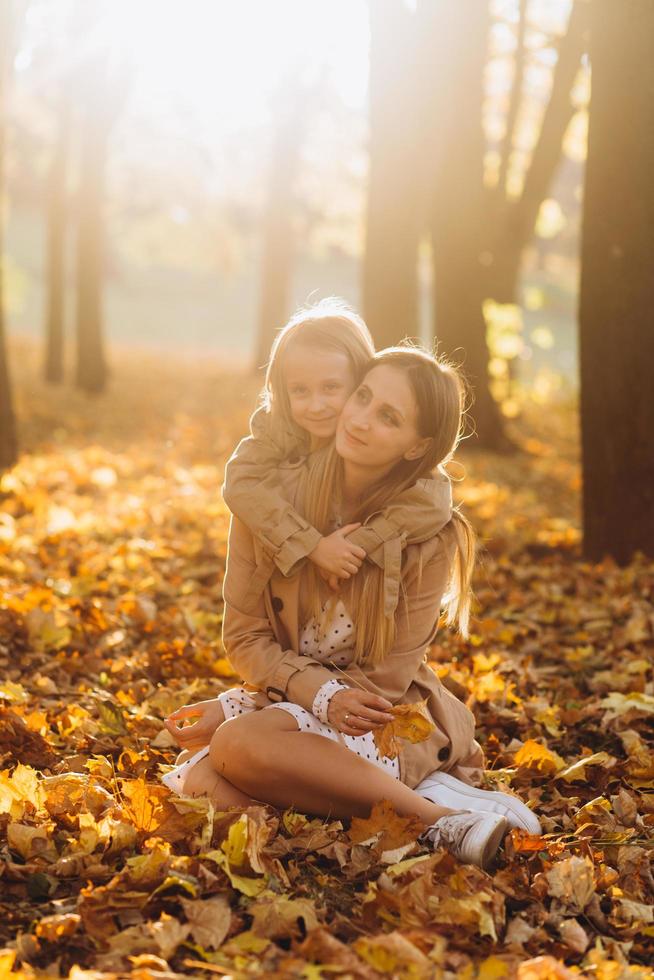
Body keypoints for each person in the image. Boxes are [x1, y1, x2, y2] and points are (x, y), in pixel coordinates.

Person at [163, 345, 540, 870]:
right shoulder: (269, 508)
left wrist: (253, 713)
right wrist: (244, 702)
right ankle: (428, 816)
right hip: (301, 707)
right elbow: (246, 638)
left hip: (375, 716)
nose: (360, 420)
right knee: (199, 780)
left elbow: (386, 679)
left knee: (239, 745)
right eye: (362, 397)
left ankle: (438, 824)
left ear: (417, 447)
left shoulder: (429, 536)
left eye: (389, 417)